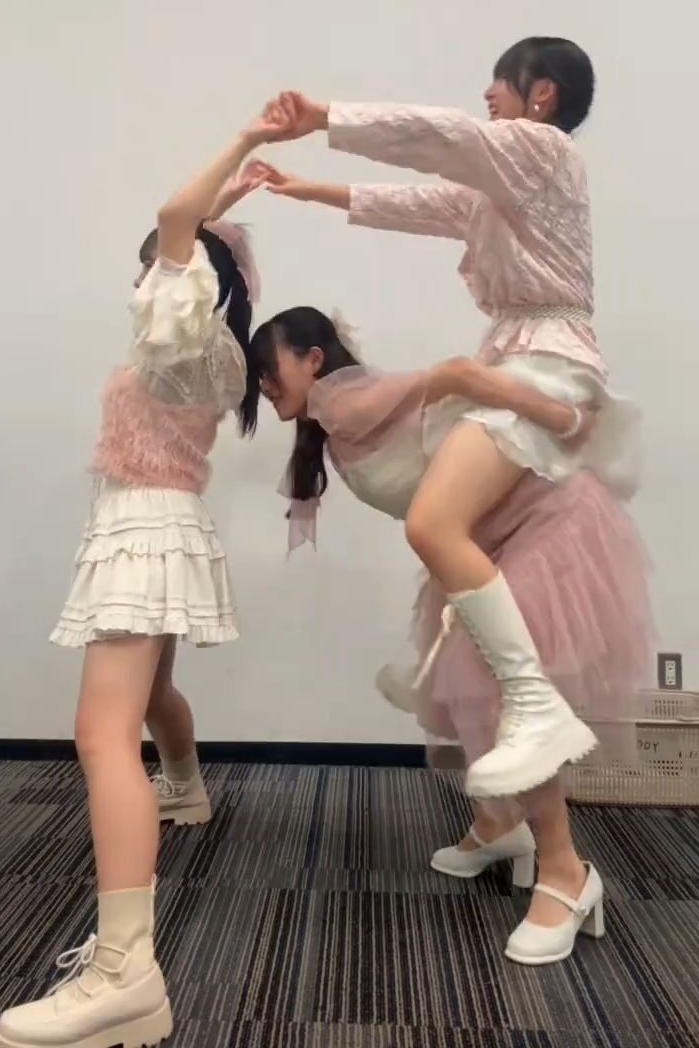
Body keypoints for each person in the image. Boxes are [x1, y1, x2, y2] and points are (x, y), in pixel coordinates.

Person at [248, 36, 641, 803]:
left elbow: (439, 137)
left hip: (546, 363)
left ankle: (534, 705)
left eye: (499, 84)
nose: (487, 97)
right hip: (518, 362)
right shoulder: (503, 193)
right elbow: (414, 203)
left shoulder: (543, 153)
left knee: (433, 524)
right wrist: (307, 190)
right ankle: (493, 770)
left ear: (542, 94)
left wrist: (324, 116)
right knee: (450, 536)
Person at [242, 307, 654, 964]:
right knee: (462, 690)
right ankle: (500, 826)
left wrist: (568, 419)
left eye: (270, 368)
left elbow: (460, 375)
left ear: (314, 360)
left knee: (509, 698)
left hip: (542, 525)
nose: (264, 385)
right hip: (488, 543)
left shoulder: (343, 401)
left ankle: (567, 873)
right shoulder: (334, 419)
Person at [0, 126, 276, 1048]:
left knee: (100, 735)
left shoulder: (180, 332)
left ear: (188, 276)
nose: (146, 273)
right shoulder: (211, 346)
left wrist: (245, 145)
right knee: (149, 698)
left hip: (144, 529)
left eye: (161, 263)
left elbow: (173, 219)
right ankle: (184, 789)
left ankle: (125, 973)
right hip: (163, 526)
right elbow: (183, 233)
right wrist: (224, 213)